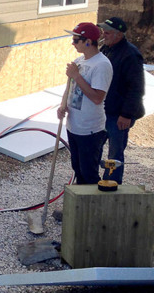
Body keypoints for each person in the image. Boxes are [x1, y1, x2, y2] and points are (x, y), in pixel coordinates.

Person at [57, 23, 113, 185]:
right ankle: (80, 206)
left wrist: (76, 75)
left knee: (89, 173)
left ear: (88, 41)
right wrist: (63, 105)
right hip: (74, 125)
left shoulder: (102, 65)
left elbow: (97, 98)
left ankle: (93, 207)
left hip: (90, 129)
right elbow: (70, 87)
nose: (72, 43)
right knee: (78, 168)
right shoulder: (79, 61)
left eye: (76, 40)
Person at [98, 16, 145, 184]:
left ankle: (111, 184)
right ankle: (93, 182)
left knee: (115, 154)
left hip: (118, 115)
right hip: (104, 111)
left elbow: (136, 88)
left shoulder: (130, 55)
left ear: (119, 35)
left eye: (108, 32)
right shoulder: (106, 49)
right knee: (95, 148)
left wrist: (126, 114)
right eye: (104, 31)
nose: (104, 34)